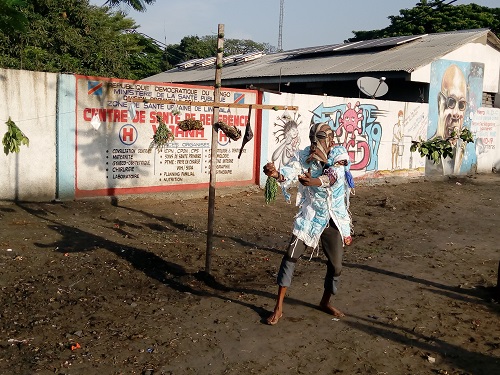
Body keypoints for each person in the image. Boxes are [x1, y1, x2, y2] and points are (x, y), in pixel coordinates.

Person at [263, 122, 354, 325]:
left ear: (330, 140)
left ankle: (325, 301)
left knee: (336, 266)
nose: (315, 144)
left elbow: (334, 176)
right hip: (311, 216)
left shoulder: (339, 155)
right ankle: (278, 308)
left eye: (320, 139)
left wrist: (312, 182)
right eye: (313, 139)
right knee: (290, 256)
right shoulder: (306, 155)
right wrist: (276, 174)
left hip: (334, 219)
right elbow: (292, 169)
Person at [435, 64, 468, 174]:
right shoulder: (429, 150)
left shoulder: (462, 147)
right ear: (440, 102)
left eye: (462, 105)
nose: (456, 114)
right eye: (451, 102)